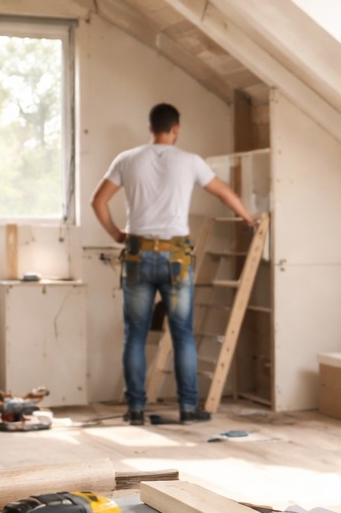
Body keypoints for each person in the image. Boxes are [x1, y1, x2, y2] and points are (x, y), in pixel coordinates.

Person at [92, 102, 256, 425]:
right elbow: (223, 191)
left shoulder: (127, 160)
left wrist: (116, 234)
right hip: (177, 258)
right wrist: (248, 217)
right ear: (175, 129)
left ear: (150, 128)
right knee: (181, 334)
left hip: (138, 255)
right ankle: (188, 408)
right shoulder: (191, 162)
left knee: (135, 334)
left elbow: (98, 201)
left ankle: (136, 409)